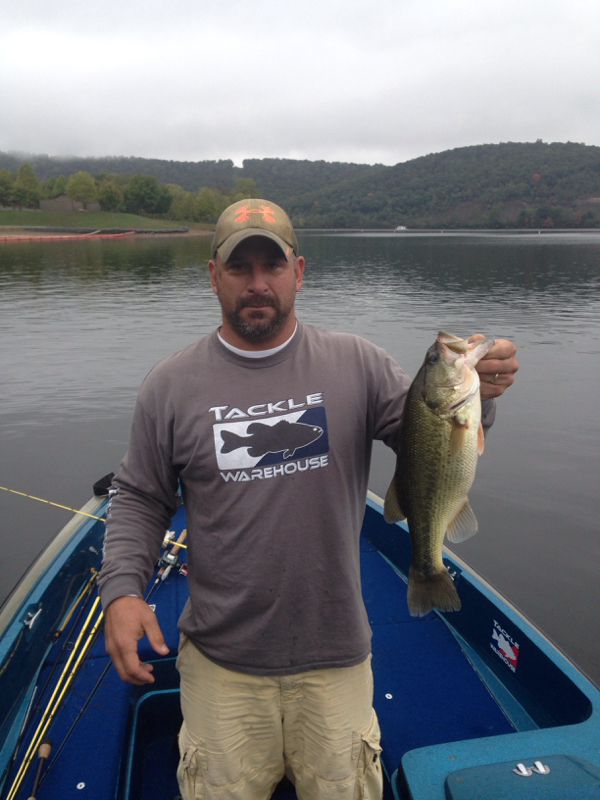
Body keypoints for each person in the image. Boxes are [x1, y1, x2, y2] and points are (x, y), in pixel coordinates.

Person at [99, 198, 519, 800]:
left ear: (299, 271)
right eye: (240, 268)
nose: (258, 284)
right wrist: (122, 591)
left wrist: (488, 394)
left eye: (273, 266)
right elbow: (140, 496)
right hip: (221, 661)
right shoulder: (171, 385)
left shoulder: (359, 364)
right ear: (214, 276)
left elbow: (428, 440)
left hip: (336, 656)